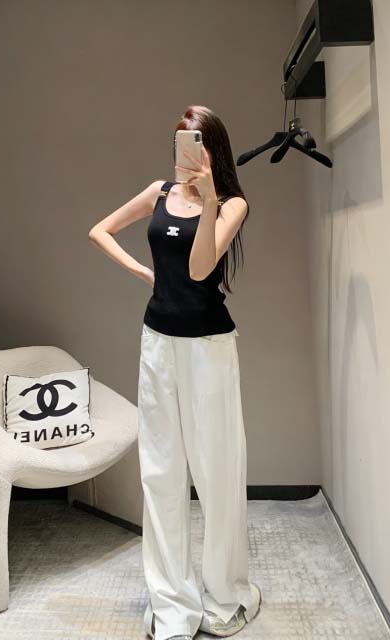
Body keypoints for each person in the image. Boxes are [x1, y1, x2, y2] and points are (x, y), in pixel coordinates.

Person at [88, 105, 262, 640]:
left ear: (214, 149)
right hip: (158, 343)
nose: (185, 150)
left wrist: (207, 200)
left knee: (217, 471)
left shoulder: (232, 204)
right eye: (180, 139)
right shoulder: (158, 192)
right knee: (161, 472)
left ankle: (226, 595)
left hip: (208, 348)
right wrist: (144, 272)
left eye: (196, 141)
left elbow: (200, 268)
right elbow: (100, 230)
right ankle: (171, 605)